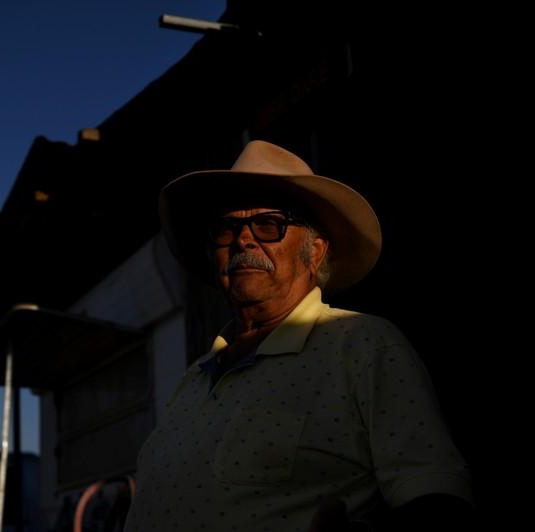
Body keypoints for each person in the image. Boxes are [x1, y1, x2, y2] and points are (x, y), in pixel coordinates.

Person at [123, 140, 474, 531]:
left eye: (269, 225)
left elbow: (435, 494)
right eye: (227, 227)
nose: (243, 240)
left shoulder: (361, 343)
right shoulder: (195, 377)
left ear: (316, 251)